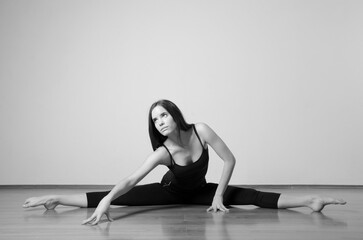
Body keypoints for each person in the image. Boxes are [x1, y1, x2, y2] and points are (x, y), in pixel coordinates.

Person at [23, 99, 346, 225]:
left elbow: (229, 159)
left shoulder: (200, 130)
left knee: (250, 197)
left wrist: (218, 195)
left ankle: (312, 200)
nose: (161, 121)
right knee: (118, 200)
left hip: (202, 191)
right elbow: (130, 181)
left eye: (164, 114)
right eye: (155, 119)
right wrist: (108, 198)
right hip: (168, 193)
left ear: (174, 114)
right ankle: (55, 198)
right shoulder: (163, 151)